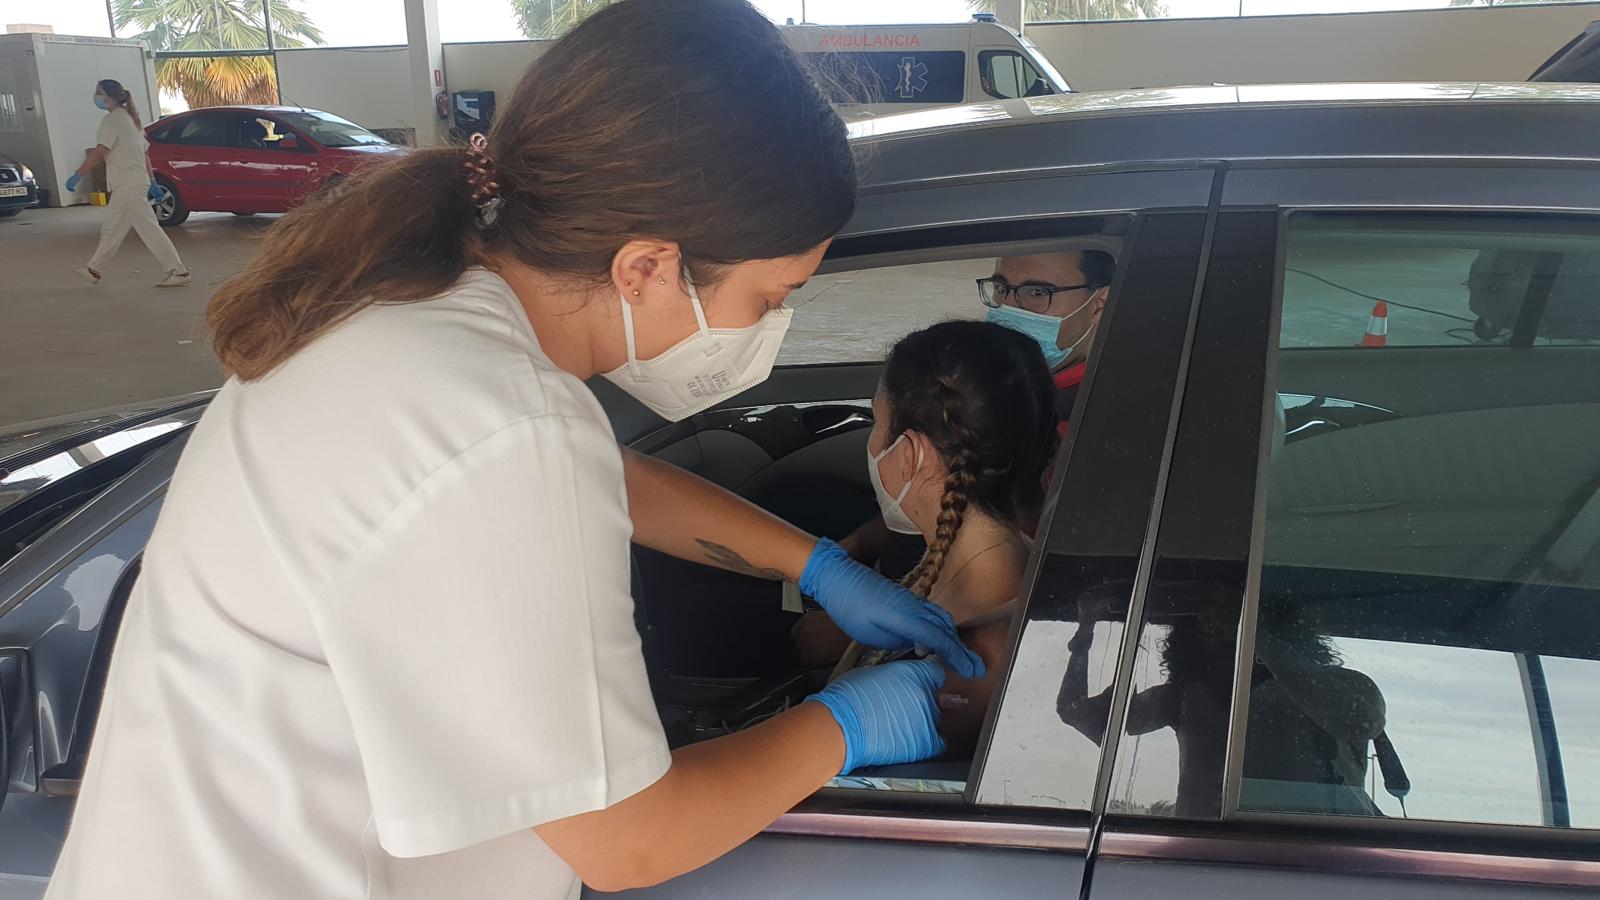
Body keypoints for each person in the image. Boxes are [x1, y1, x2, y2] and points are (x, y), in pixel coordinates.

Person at [43, 4, 982, 899]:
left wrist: (812, 563)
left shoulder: (421, 314)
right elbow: (629, 838)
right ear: (647, 267)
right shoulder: (502, 421)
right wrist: (844, 726)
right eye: (771, 299)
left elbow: (596, 481)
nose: (774, 327)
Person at [798, 321, 1059, 757]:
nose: (871, 443)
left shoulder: (965, 665)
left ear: (910, 455)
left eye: (876, 424)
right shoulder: (1022, 568)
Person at [68, 79, 191, 288]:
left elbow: (100, 152)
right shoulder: (131, 120)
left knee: (147, 230)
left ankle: (178, 271)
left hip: (127, 185)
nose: (96, 96)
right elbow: (144, 155)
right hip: (134, 183)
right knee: (112, 229)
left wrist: (79, 174)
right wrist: (151, 180)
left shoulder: (113, 120)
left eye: (98, 92)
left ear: (109, 96)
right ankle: (94, 269)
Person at [979, 248, 1115, 427]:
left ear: (1099, 304)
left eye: (1037, 292)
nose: (1006, 307)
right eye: (1001, 287)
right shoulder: (984, 380)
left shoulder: (1085, 421)